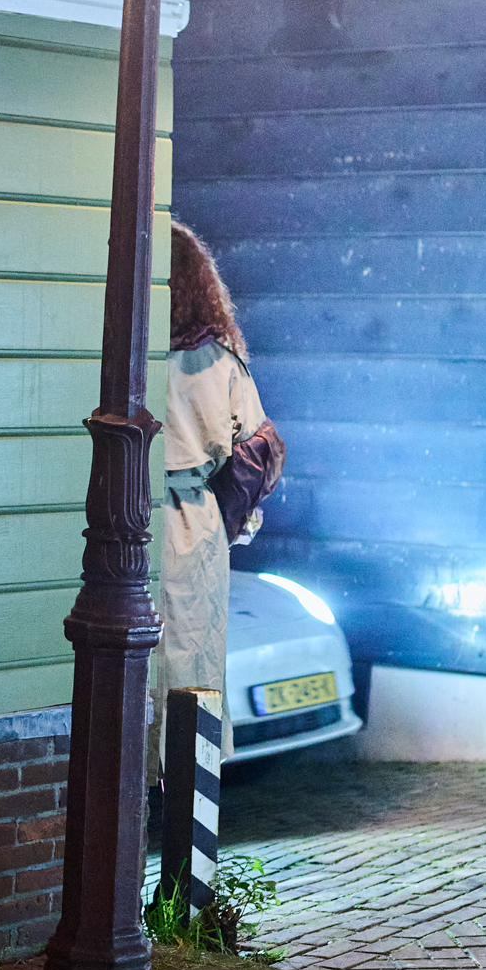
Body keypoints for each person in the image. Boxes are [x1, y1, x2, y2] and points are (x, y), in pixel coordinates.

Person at [156, 221, 285, 768]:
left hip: (129, 514)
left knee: (141, 659)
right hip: (194, 522)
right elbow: (256, 453)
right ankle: (190, 782)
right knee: (193, 656)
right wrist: (230, 519)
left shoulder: (121, 356)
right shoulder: (220, 363)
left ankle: (140, 776)